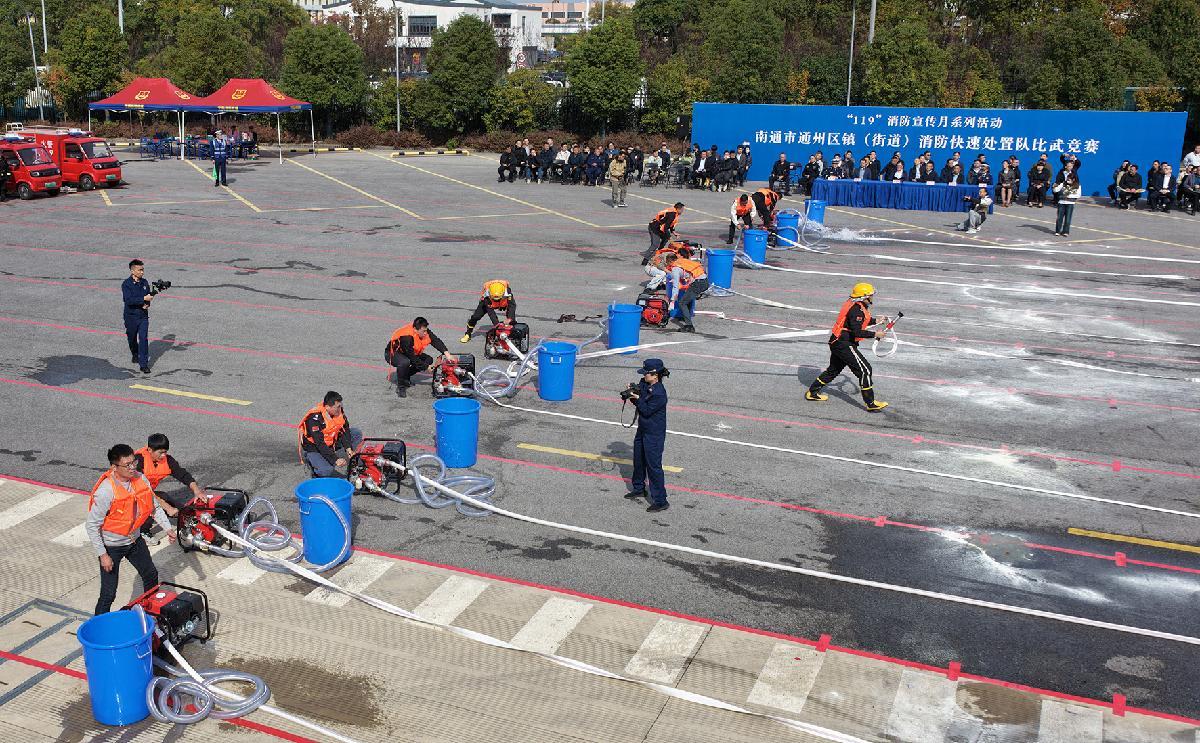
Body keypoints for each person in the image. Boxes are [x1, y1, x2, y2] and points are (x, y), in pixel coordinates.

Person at [88, 444, 175, 614]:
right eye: (127, 465)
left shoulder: (140, 479)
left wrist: (168, 528)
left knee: (151, 576)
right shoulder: (106, 491)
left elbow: (154, 507)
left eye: (134, 462)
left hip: (135, 540)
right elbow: (91, 525)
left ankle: (149, 615)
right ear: (114, 467)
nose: (132, 467)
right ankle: (98, 626)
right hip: (112, 547)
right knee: (108, 594)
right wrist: (103, 555)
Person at [805, 283, 890, 412]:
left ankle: (812, 392)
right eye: (871, 295)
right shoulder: (856, 310)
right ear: (864, 297)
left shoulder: (856, 305)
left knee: (833, 370)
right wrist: (875, 334)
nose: (872, 297)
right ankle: (871, 403)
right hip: (843, 344)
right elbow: (857, 332)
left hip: (837, 342)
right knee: (865, 370)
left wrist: (876, 321)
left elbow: (857, 321)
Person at [134, 433, 202, 542]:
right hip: (130, 498)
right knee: (149, 504)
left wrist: (197, 491)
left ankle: (191, 518)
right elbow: (143, 492)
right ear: (150, 450)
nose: (164, 455)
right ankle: (142, 531)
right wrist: (168, 508)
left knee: (164, 498)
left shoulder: (167, 460)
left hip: (147, 493)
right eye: (160, 452)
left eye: (165, 452)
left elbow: (183, 475)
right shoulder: (137, 462)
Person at [623, 358, 670, 513]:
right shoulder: (645, 383)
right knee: (639, 459)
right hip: (643, 429)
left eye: (646, 373)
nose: (644, 376)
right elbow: (641, 394)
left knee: (653, 466)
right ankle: (638, 488)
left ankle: (661, 500)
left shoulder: (659, 393)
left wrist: (636, 399)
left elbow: (647, 410)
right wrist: (633, 392)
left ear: (655, 375)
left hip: (654, 434)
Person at [386, 318, 455, 397]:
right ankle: (401, 387)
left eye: (426, 330)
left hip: (408, 353)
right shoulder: (407, 337)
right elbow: (411, 357)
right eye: (424, 331)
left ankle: (405, 376)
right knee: (405, 362)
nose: (426, 333)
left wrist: (447, 354)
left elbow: (435, 340)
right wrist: (426, 367)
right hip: (393, 354)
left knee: (428, 359)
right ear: (415, 329)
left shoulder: (424, 330)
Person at [299, 391, 364, 474]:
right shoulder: (314, 419)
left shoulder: (338, 411)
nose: (340, 409)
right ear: (327, 407)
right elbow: (319, 443)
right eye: (337, 407)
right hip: (315, 447)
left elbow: (344, 429)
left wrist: (348, 448)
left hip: (331, 441)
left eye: (340, 406)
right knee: (326, 471)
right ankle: (310, 459)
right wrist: (335, 459)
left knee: (356, 433)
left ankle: (354, 461)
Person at [122, 258, 154, 374]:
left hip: (143, 316)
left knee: (143, 338)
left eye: (143, 270)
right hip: (131, 316)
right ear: (132, 271)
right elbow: (128, 300)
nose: (142, 272)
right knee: (132, 338)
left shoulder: (144, 282)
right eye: (140, 270)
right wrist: (143, 299)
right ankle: (135, 353)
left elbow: (148, 296)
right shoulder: (126, 284)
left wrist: (147, 304)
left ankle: (143, 364)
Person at [666, 250, 708, 333]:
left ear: (670, 262)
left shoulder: (675, 269)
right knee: (686, 300)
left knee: (682, 303)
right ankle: (686, 317)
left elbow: (675, 286)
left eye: (668, 264)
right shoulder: (682, 261)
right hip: (705, 280)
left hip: (698, 283)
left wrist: (672, 301)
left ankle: (689, 326)